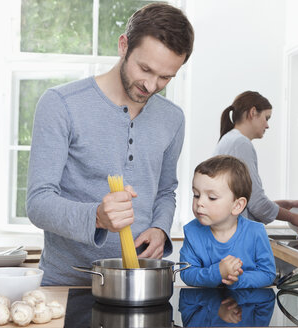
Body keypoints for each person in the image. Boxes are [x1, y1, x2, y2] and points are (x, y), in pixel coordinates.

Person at [26, 3, 194, 286]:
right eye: (145, 68)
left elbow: (166, 190)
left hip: (138, 286)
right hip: (66, 285)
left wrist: (160, 228)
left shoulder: (173, 119)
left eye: (165, 77)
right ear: (123, 45)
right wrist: (97, 217)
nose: (152, 85)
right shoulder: (60, 104)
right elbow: (38, 202)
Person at [214, 91, 298, 232]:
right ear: (253, 112)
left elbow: (247, 202)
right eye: (267, 118)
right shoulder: (240, 144)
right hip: (233, 235)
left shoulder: (231, 140)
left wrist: (283, 204)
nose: (267, 125)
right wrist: (293, 217)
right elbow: (257, 204)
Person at [180, 155, 276, 288]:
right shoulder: (192, 232)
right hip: (207, 306)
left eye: (212, 197)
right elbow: (187, 274)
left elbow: (268, 274)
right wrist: (217, 272)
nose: (200, 202)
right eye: (196, 195)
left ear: (237, 206)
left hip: (246, 306)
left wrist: (237, 279)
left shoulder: (256, 232)